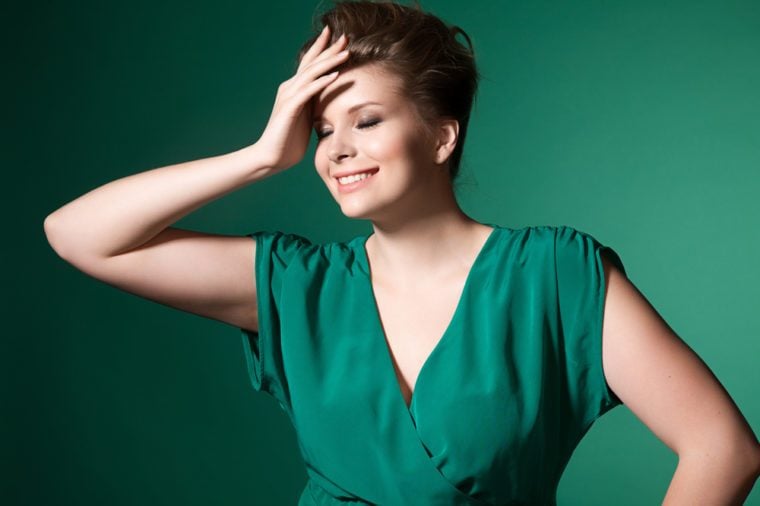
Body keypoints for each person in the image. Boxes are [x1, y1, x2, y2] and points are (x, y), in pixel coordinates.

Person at [43, 1, 759, 504]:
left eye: (368, 119)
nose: (339, 149)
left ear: (443, 137)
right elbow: (77, 236)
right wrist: (261, 156)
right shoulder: (301, 287)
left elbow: (723, 450)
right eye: (323, 129)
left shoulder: (555, 276)